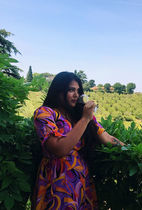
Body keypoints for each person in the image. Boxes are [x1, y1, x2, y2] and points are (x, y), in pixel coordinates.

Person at [32, 71, 124, 210]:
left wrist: (130, 148)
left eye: (78, 91)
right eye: (71, 90)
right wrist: (85, 119)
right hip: (56, 180)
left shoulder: (81, 115)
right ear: (58, 91)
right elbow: (59, 149)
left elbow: (108, 138)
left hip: (80, 179)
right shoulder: (45, 113)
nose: (76, 95)